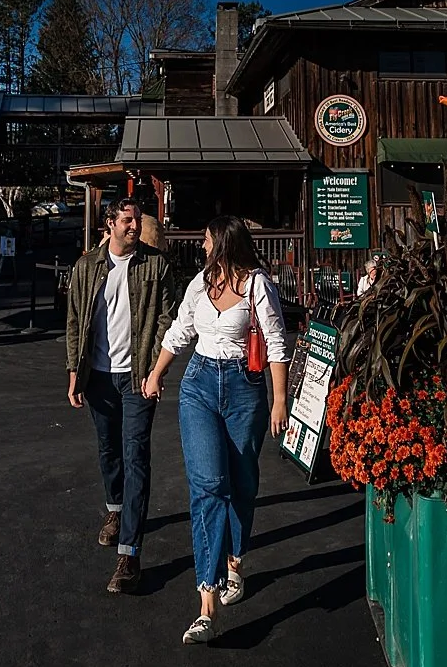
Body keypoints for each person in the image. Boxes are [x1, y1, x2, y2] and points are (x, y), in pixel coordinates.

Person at [141, 214, 290, 643]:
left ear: (223, 243)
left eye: (207, 240)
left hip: (245, 389)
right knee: (209, 485)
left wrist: (279, 400)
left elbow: (277, 343)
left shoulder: (256, 285)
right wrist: (156, 373)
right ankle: (206, 602)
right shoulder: (200, 283)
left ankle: (235, 563)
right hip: (200, 385)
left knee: (242, 484)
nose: (202, 246)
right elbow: (180, 330)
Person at [65, 196, 176, 594]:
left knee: (136, 457)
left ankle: (129, 554)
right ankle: (115, 510)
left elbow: (167, 317)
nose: (135, 226)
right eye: (127, 220)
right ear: (109, 223)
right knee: (108, 449)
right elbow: (75, 318)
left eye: (138, 220)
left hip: (137, 378)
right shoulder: (86, 267)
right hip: (98, 376)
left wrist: (156, 370)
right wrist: (74, 371)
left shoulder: (156, 265)